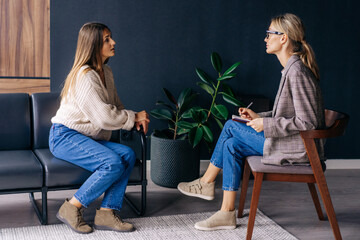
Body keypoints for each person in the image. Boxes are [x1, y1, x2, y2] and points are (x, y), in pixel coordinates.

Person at [177, 13, 325, 231]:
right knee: (231, 144)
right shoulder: (291, 70)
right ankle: (226, 213)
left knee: (229, 126)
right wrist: (259, 117)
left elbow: (308, 122)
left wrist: (267, 126)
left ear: (283, 38)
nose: (265, 38)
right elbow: (288, 114)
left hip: (300, 150)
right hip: (292, 144)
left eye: (269, 34)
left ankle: (206, 182)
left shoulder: (297, 73)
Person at [49, 22, 150, 234]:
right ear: (94, 45)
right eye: (106, 39)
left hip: (86, 138)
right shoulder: (85, 76)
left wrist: (135, 118)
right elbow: (104, 117)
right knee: (112, 163)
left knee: (128, 155)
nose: (113, 42)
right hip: (65, 136)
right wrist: (132, 117)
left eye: (110, 37)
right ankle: (72, 207)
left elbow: (116, 106)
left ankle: (106, 213)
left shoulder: (106, 71)